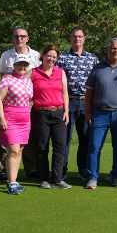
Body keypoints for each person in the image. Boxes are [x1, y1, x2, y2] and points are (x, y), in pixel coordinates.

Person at [84, 38, 117, 189]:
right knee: (94, 146)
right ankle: (93, 177)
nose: (116, 51)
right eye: (113, 48)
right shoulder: (97, 68)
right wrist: (88, 113)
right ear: (108, 49)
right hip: (100, 113)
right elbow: (88, 93)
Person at [0, 27, 41, 181]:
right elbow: (3, 79)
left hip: (26, 105)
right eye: (17, 36)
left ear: (27, 38)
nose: (20, 39)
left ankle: (28, 171)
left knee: (22, 146)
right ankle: (5, 173)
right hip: (10, 108)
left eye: (23, 36)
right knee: (9, 145)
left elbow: (38, 77)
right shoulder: (6, 55)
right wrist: (1, 115)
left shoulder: (35, 55)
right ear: (13, 38)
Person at [58, 27, 99, 181]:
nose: (77, 39)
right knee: (65, 139)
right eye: (74, 37)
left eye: (80, 36)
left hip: (86, 102)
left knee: (86, 138)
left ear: (84, 38)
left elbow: (97, 82)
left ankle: (83, 170)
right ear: (70, 39)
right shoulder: (62, 58)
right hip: (68, 102)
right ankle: (62, 171)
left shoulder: (93, 59)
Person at [30, 45, 71, 190]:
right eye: (49, 55)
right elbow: (28, 94)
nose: (51, 59)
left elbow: (65, 93)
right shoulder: (33, 73)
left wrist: (66, 111)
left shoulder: (60, 72)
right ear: (43, 56)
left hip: (59, 113)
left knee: (60, 147)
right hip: (40, 114)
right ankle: (44, 179)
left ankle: (57, 178)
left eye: (54, 57)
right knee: (42, 147)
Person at [0, 55, 34, 195]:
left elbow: (30, 100)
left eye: (25, 65)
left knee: (19, 151)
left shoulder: (28, 81)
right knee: (13, 150)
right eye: (19, 64)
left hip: (25, 120)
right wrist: (2, 118)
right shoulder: (7, 79)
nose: (22, 67)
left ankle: (14, 180)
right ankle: (11, 183)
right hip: (10, 118)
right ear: (14, 65)